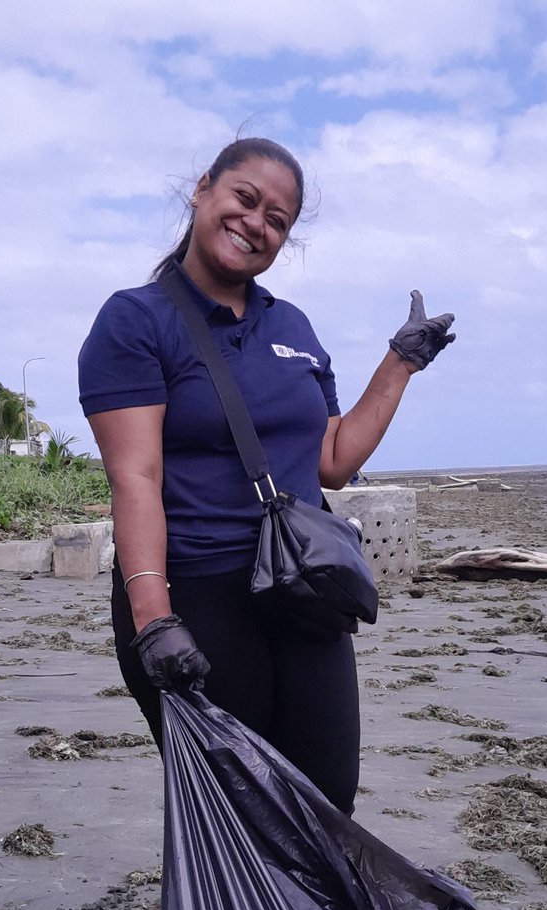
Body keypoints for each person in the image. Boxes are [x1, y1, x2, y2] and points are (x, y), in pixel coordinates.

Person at [78, 137, 455, 814]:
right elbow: (135, 477)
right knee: (242, 807)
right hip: (196, 590)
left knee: (325, 798)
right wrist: (153, 620)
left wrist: (400, 364)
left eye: (276, 220)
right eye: (245, 200)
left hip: (299, 585)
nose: (257, 223)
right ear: (203, 190)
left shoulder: (294, 327)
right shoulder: (135, 321)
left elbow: (333, 459)